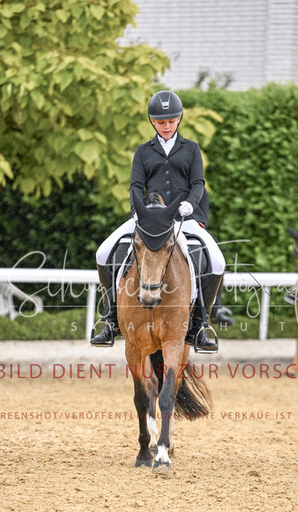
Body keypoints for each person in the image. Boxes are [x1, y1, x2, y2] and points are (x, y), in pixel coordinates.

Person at [90, 90, 226, 351]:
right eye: (161, 122)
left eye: (171, 121)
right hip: (148, 218)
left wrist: (191, 203)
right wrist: (137, 211)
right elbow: (135, 185)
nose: (167, 126)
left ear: (179, 119)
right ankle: (110, 319)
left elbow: (198, 183)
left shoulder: (191, 149)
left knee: (217, 261)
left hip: (183, 217)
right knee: (103, 253)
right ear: (152, 121)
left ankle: (200, 326)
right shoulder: (143, 151)